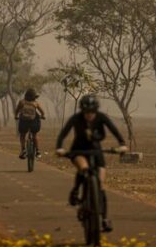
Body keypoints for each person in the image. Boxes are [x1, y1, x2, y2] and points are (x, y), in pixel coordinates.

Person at [55, 94, 127, 233]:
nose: (89, 115)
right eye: (86, 112)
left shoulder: (101, 117)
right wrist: (59, 148)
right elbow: (63, 133)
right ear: (82, 111)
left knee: (101, 185)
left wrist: (122, 144)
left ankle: (104, 219)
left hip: (96, 151)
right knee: (84, 168)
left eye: (92, 112)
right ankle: (76, 190)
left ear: (96, 110)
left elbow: (114, 131)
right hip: (79, 150)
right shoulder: (76, 119)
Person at [14, 88, 46, 159]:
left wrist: (16, 116)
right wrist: (43, 116)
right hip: (33, 122)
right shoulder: (35, 103)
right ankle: (37, 151)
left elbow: (17, 110)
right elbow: (42, 112)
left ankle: (23, 150)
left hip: (24, 122)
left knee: (22, 135)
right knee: (34, 135)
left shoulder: (21, 102)